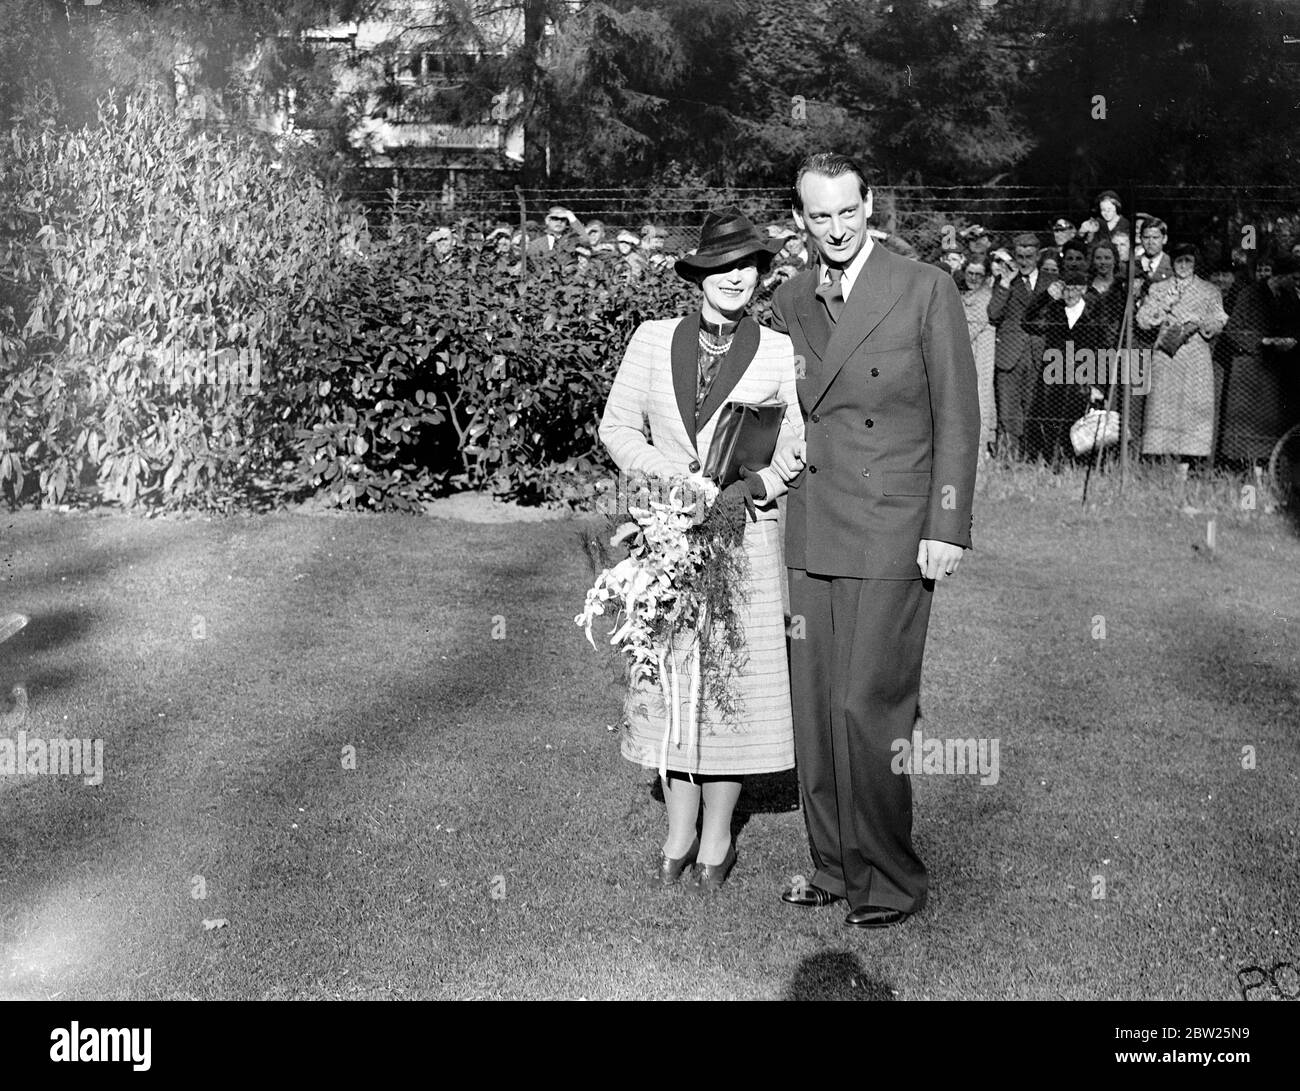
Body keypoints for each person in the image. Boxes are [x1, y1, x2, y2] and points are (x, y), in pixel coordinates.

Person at [767, 152, 979, 928]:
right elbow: (779, 410)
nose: (834, 228)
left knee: (870, 705)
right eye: (818, 216)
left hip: (893, 527)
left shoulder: (924, 287)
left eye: (846, 212)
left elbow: (959, 415)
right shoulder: (789, 298)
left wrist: (946, 524)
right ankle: (832, 865)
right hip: (814, 521)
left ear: (870, 204)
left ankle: (890, 878)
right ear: (800, 220)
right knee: (817, 708)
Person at [598, 208, 804, 893]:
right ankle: (678, 829)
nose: (735, 277)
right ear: (699, 275)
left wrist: (754, 488)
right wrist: (670, 479)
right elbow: (618, 426)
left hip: (742, 537)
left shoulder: (775, 351)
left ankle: (718, 836)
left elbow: (795, 447)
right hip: (666, 534)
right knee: (673, 678)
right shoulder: (654, 341)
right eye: (721, 266)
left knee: (731, 685)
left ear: (759, 276)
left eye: (747, 266)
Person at [1137, 242, 1228, 469]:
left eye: (1188, 261)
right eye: (1179, 261)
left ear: (1195, 264)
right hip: (1166, 355)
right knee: (1162, 408)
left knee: (1192, 410)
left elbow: (1220, 319)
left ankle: (1187, 465)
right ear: (1172, 262)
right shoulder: (1159, 288)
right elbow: (1143, 320)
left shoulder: (1209, 290)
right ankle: (1159, 464)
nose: (1184, 265)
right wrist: (1164, 307)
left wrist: (1199, 322)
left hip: (1195, 355)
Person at [1022, 271, 1106, 461]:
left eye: (1075, 289)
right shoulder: (1055, 310)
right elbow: (1028, 322)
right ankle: (1053, 461)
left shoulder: (1093, 314)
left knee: (1078, 422)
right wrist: (1045, 297)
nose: (1070, 294)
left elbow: (1103, 348)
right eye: (1067, 289)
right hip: (1055, 375)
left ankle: (1076, 462)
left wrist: (1097, 385)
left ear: (1084, 289)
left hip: (1082, 376)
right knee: (1052, 421)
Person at [989, 232, 1058, 458]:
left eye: (1029, 257)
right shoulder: (1006, 281)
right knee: (1008, 410)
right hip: (1010, 354)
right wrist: (1006, 283)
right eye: (1020, 256)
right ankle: (1008, 457)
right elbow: (993, 314)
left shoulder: (1051, 283)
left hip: (1040, 353)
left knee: (1035, 409)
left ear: (1038, 256)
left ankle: (1032, 457)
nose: (1024, 262)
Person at [961, 256, 997, 458]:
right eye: (970, 273)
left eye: (978, 275)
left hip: (979, 358)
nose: (973, 278)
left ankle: (981, 448)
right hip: (964, 358)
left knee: (981, 400)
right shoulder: (962, 294)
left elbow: (971, 327)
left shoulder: (986, 297)